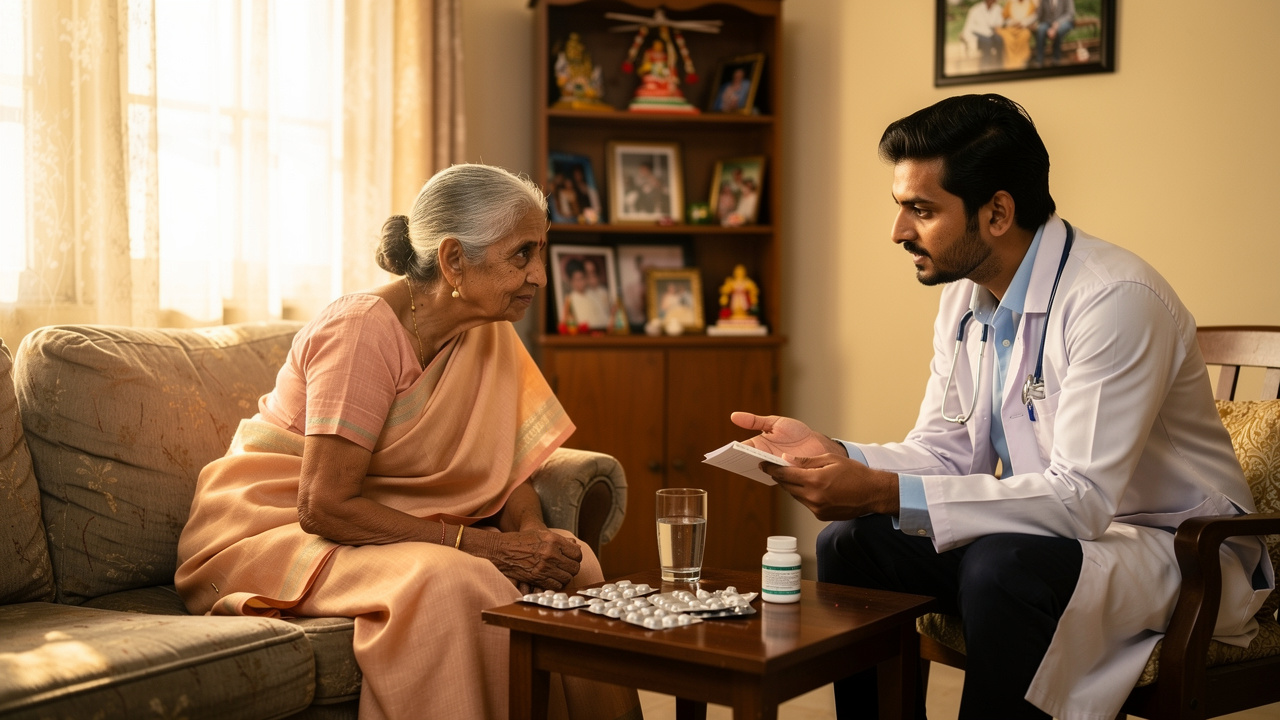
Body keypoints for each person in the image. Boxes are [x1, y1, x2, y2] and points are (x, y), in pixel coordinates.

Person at [731, 95, 1271, 720]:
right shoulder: (966, 299)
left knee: (1001, 565)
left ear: (997, 212)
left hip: (1179, 550)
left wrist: (881, 490)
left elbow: (1083, 498)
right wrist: (836, 454)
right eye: (901, 208)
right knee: (850, 543)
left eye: (922, 210)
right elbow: (947, 450)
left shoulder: (1114, 299)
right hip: (1060, 533)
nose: (899, 232)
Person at [175, 164, 641, 720]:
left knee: (576, 562)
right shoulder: (361, 332)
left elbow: (508, 465)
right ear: (453, 260)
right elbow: (322, 504)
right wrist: (487, 547)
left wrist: (533, 534)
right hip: (273, 528)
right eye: (523, 254)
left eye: (542, 250)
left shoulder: (488, 329)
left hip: (376, 526)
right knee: (457, 579)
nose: (541, 274)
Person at [563, 257, 610, 329]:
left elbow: (604, 317)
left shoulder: (594, 293)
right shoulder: (570, 299)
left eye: (582, 278)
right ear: (571, 281)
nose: (580, 283)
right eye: (577, 280)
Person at [960, 0, 1006, 72]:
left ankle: (999, 66)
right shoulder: (975, 9)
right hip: (978, 34)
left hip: (992, 33)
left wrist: (997, 27)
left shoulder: (998, 9)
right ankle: (984, 68)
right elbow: (968, 27)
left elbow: (1000, 23)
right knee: (987, 42)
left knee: (999, 40)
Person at [998, 0, 1038, 69]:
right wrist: (1012, 22)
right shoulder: (1010, 3)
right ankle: (1010, 64)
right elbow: (1003, 19)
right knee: (1007, 38)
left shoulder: (1030, 3)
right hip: (1011, 28)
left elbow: (1034, 17)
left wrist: (1024, 23)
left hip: (1023, 28)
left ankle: (1022, 62)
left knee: (1025, 34)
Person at [1034, 0, 1076, 67]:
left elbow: (1070, 13)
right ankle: (1039, 60)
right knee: (1041, 30)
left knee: (1058, 31)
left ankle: (1056, 59)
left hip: (1065, 22)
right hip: (1048, 22)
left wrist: (1057, 23)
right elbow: (1039, 15)